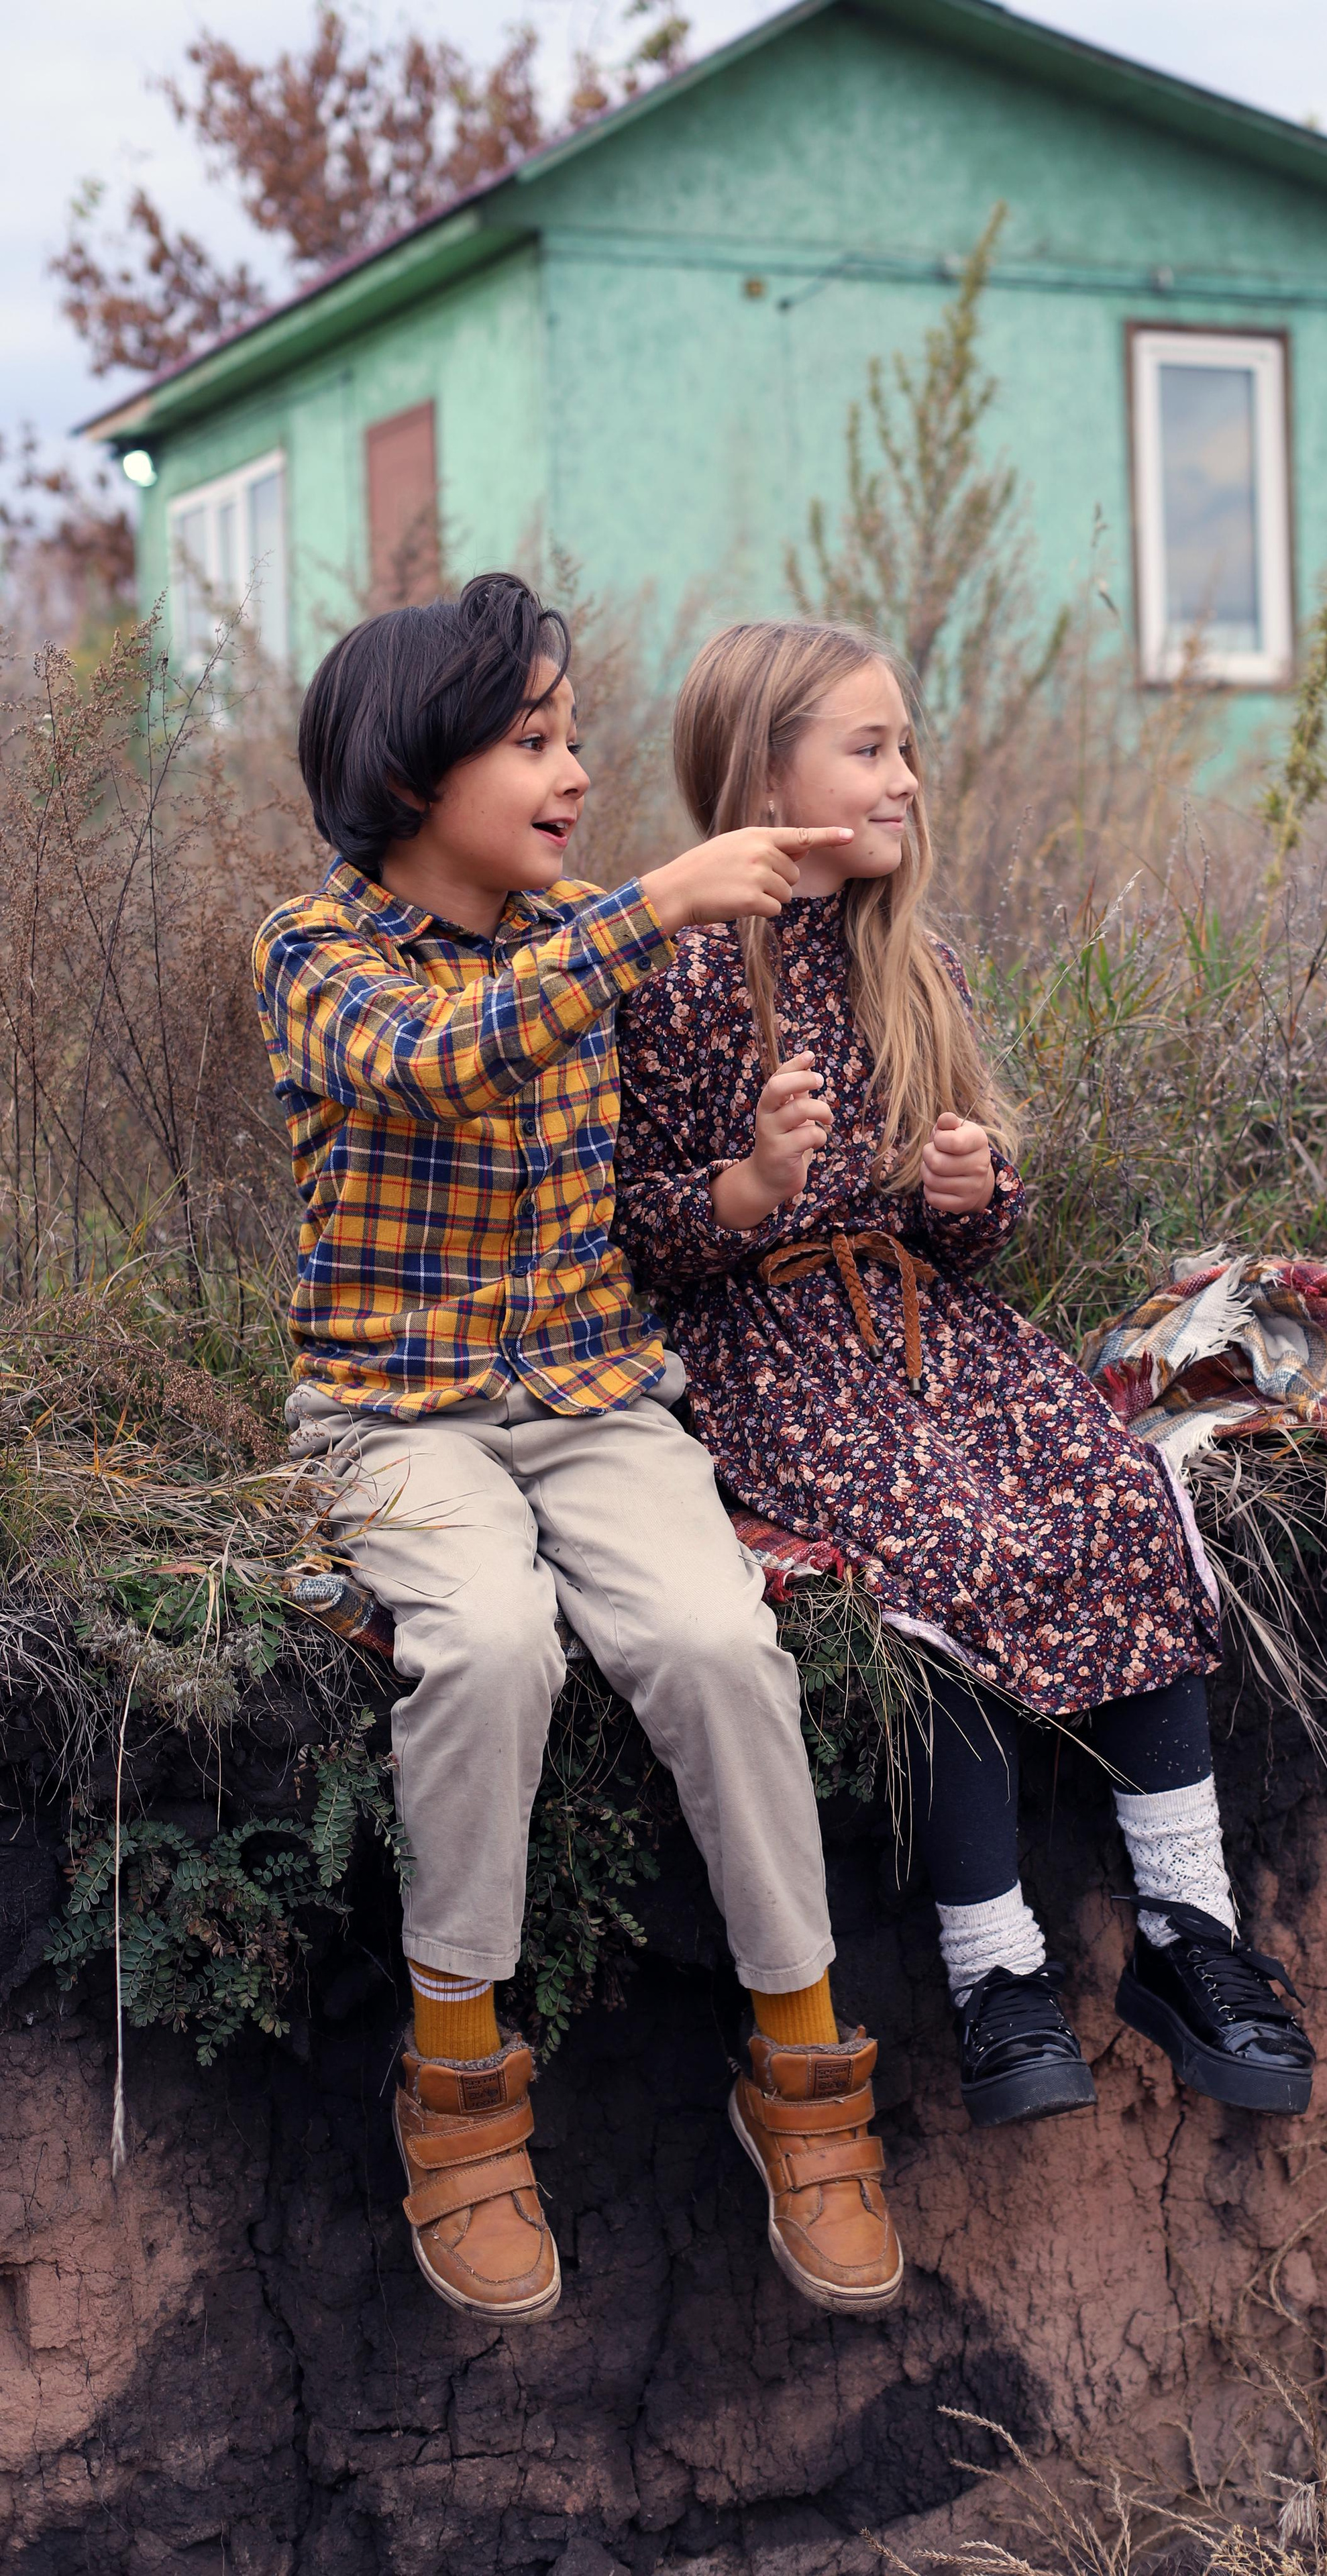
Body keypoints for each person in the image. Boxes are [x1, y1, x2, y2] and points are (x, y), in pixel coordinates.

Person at [253, 575, 904, 2326]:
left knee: (712, 1643)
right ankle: (458, 2081)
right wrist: (648, 914)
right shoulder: (316, 957)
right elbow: (436, 1068)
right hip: (398, 1409)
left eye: (573, 736)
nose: (577, 771)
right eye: (533, 741)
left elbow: (630, 1193)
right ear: (411, 772)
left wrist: (760, 1183)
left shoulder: (584, 946)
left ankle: (805, 2063)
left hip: (594, 1398)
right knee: (485, 1646)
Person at [614, 619, 1315, 2133]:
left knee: (1111, 1498)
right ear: (761, 771)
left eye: (907, 749)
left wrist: (968, 1188)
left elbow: (981, 1241)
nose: (905, 780)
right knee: (939, 1554)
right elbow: (628, 1232)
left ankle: (1189, 1938)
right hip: (779, 1354)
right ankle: (994, 1972)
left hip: (933, 1336)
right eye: (867, 750)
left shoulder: (906, 957)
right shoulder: (668, 981)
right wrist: (743, 1189)